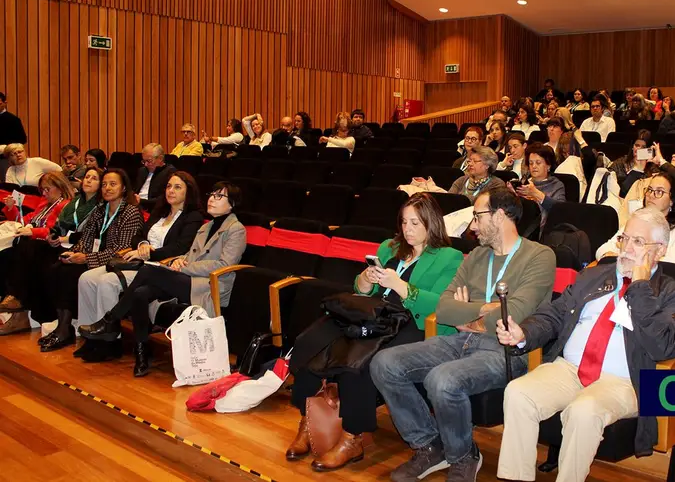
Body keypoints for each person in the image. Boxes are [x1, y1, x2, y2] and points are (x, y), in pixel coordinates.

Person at [371, 187, 555, 482]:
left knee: (442, 379)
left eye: (478, 216)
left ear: (500, 216)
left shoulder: (540, 256)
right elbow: (444, 309)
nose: (472, 226)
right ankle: (429, 445)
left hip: (506, 351)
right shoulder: (476, 256)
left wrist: (467, 313)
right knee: (385, 363)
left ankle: (462, 455)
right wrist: (482, 309)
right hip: (460, 341)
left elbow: (514, 314)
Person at [497, 207, 675, 482]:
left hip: (625, 381)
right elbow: (555, 314)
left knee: (583, 411)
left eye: (638, 242)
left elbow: (665, 346)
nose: (626, 248)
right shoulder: (593, 276)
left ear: (659, 250)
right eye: (625, 238)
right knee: (518, 393)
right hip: (570, 369)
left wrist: (639, 286)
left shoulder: (674, 293)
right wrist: (524, 333)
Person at [285, 193, 464, 471]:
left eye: (415, 223)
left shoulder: (448, 257)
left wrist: (401, 286)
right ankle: (307, 422)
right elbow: (361, 290)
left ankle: (352, 436)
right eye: (404, 222)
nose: (408, 229)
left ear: (432, 223)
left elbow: (442, 304)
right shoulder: (389, 246)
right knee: (311, 342)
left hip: (411, 323)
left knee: (360, 363)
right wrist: (366, 280)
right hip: (373, 316)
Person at [79, 181, 247, 376]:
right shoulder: (206, 226)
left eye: (219, 196)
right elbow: (191, 255)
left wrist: (186, 267)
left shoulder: (236, 229)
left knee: (149, 272)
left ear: (232, 203)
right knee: (141, 293)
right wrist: (178, 261)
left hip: (211, 286)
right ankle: (142, 352)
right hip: (190, 279)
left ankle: (111, 320)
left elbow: (224, 265)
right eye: (211, 194)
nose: (212, 199)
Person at [73, 171, 204, 362]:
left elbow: (180, 247)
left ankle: (110, 341)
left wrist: (150, 252)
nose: (171, 191)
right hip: (137, 261)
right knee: (86, 278)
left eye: (177, 187)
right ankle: (91, 339)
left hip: (158, 268)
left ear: (189, 191)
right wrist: (142, 245)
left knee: (107, 282)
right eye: (168, 186)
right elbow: (137, 236)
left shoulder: (192, 217)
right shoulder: (160, 211)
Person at [41, 169, 144, 352]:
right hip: (91, 258)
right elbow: (85, 240)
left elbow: (122, 251)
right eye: (104, 185)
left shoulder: (130, 213)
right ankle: (64, 327)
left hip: (112, 262)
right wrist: (74, 254)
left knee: (69, 275)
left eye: (113, 184)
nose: (107, 188)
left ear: (123, 188)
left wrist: (86, 258)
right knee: (56, 269)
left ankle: (65, 330)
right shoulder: (99, 210)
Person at [0, 171, 75, 335]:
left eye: (48, 189)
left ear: (60, 188)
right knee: (8, 253)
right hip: (35, 245)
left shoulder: (66, 205)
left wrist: (33, 232)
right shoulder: (44, 204)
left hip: (52, 246)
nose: (45, 193)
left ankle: (16, 296)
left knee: (23, 250)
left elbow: (56, 230)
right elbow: (26, 220)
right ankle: (12, 299)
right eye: (42, 190)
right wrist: (11, 210)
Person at [595, 171, 675, 269]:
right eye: (649, 190)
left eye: (659, 191)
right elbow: (602, 250)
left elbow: (671, 265)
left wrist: (623, 256)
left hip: (669, 284)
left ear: (672, 200)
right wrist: (610, 255)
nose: (651, 196)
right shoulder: (636, 222)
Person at [514, 145, 566, 229]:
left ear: (548, 166)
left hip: (544, 231)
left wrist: (535, 193)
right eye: (531, 163)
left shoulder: (556, 185)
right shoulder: (524, 183)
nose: (533, 166)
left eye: (538, 163)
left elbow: (560, 211)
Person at [610, 130, 653, 198]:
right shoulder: (621, 162)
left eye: (643, 147)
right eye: (637, 145)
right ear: (632, 147)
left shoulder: (653, 167)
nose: (639, 149)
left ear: (649, 150)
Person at [550, 124, 587, 200]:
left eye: (570, 153)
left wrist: (581, 140)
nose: (567, 156)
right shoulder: (557, 164)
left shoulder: (587, 164)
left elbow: (590, 155)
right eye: (564, 153)